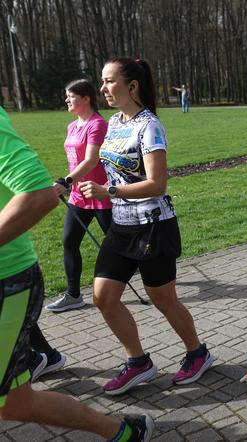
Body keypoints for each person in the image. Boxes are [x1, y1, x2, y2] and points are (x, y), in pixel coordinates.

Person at [0, 106, 153, 441]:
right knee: (14, 405)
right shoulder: (77, 124)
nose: (68, 100)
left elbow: (91, 164)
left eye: (110, 81)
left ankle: (153, 360)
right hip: (79, 195)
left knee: (147, 294)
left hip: (100, 201)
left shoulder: (105, 124)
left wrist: (79, 184)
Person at [79, 58, 213, 395]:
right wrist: (70, 182)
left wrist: (108, 191)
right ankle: (138, 362)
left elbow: (157, 184)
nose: (104, 88)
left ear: (132, 86)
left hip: (153, 226)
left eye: (110, 81)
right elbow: (103, 164)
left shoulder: (149, 126)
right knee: (103, 297)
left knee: (162, 299)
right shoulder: (114, 122)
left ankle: (198, 353)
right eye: (102, 81)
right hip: (122, 226)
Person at [46, 79, 112, 312]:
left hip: (101, 193)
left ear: (86, 98)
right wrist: (71, 183)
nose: (66, 100)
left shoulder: (98, 125)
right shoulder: (72, 126)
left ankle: (154, 277)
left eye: (71, 96)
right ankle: (74, 295)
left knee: (118, 244)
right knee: (69, 241)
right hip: (79, 195)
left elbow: (92, 159)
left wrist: (66, 181)